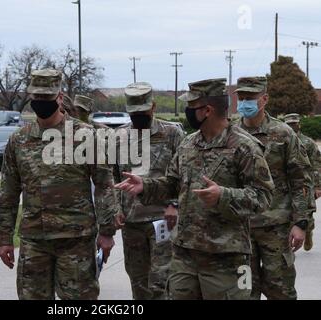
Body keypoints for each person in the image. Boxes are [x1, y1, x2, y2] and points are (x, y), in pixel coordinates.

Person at [115, 78, 274, 300]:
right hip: (184, 255)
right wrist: (146, 186)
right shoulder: (188, 144)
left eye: (191, 106)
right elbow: (172, 183)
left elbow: (263, 196)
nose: (188, 111)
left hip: (225, 257)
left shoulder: (244, 147)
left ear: (206, 110)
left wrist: (223, 196)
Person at [0, 68, 118, 300]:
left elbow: (104, 185)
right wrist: (4, 238)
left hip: (76, 240)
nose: (41, 102)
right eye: (37, 97)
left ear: (60, 98)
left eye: (47, 97)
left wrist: (107, 231)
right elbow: (9, 192)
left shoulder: (86, 136)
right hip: (34, 241)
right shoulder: (19, 140)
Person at [234, 77, 312, 299]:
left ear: (264, 99)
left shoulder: (283, 133)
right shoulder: (230, 134)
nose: (244, 102)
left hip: (276, 229)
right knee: (244, 291)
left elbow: (301, 179)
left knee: (280, 291)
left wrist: (301, 222)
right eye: (241, 98)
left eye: (250, 98)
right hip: (241, 232)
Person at [113, 82, 184, 299]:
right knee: (139, 284)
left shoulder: (172, 134)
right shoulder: (119, 137)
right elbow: (113, 177)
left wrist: (174, 204)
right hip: (132, 222)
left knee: (161, 283)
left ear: (152, 107)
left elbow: (184, 176)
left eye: (142, 112)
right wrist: (116, 208)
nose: (138, 116)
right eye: (133, 113)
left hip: (162, 219)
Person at [284, 113, 321, 251]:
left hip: (306, 183)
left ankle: (308, 230)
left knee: (306, 210)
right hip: (287, 183)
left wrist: (318, 186)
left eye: (294, 124)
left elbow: (317, 164)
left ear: (299, 124)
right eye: (289, 124)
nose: (292, 126)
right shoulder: (281, 141)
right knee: (287, 211)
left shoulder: (308, 142)